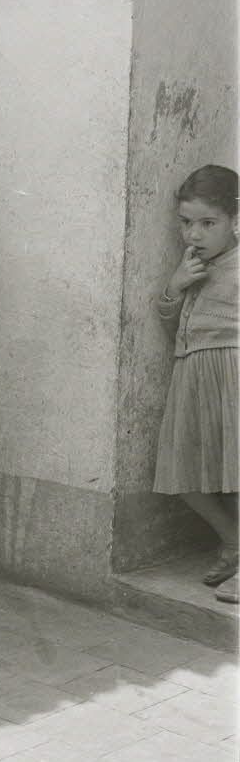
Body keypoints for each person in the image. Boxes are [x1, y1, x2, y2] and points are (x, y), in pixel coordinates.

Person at [153, 165, 238, 605]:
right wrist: (175, 284)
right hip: (192, 375)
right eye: (186, 223)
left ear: (235, 220)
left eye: (208, 223)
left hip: (232, 377)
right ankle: (234, 541)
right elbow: (171, 323)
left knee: (235, 475)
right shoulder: (191, 266)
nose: (194, 234)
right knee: (182, 471)